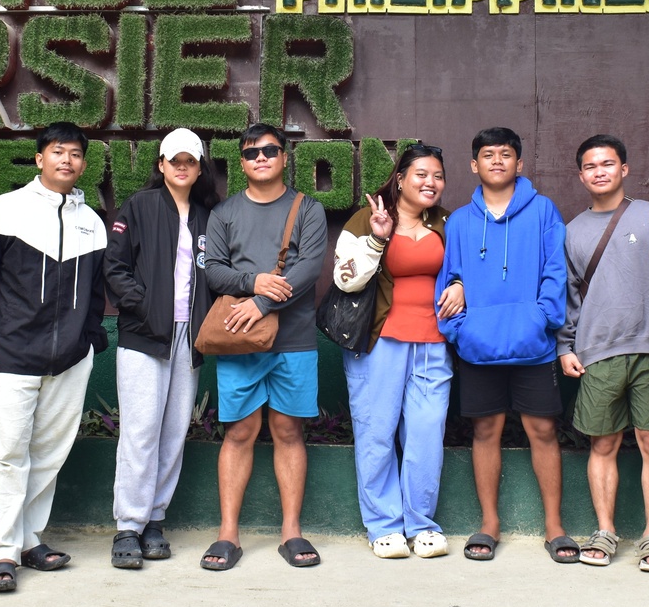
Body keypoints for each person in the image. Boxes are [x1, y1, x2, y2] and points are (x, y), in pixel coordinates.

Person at [0, 122, 109, 594]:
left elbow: (98, 292)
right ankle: (2, 553)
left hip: (70, 360)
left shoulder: (93, 221)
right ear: (40, 158)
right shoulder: (7, 210)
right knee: (6, 455)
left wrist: (89, 342)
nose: (67, 160)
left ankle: (29, 539)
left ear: (84, 163)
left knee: (49, 454)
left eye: (75, 154)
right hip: (9, 356)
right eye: (57, 151)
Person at [437, 127, 576, 564]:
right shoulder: (459, 221)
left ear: (520, 163)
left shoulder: (544, 211)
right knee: (486, 431)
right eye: (487, 155)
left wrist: (544, 321)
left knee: (543, 431)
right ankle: (489, 523)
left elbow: (557, 272)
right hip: (479, 347)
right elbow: (449, 280)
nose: (497, 161)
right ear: (473, 165)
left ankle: (554, 526)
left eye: (506, 154)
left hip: (533, 345)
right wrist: (462, 331)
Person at [200, 122, 328, 571]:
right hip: (239, 338)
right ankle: (228, 534)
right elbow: (213, 270)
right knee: (239, 432)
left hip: (294, 340)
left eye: (270, 151)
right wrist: (250, 284)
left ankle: (291, 532)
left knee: (289, 431)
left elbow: (310, 266)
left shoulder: (306, 209)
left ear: (284, 157)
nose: (261, 158)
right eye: (252, 152)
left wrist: (261, 302)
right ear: (241, 161)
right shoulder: (225, 213)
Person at [557, 135, 649, 571]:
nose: (599, 171)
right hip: (596, 350)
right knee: (604, 443)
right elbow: (570, 296)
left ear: (624, 169)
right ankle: (605, 530)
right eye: (590, 165)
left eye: (607, 164)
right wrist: (565, 347)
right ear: (581, 175)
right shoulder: (572, 231)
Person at [332, 144, 464, 558]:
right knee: (377, 431)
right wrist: (376, 237)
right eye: (421, 174)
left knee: (426, 433)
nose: (431, 183)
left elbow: (466, 269)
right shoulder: (367, 216)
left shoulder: (448, 222)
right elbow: (343, 279)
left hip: (433, 342)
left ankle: (422, 524)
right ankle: (384, 525)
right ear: (401, 178)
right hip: (379, 340)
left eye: (438, 176)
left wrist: (461, 286)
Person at [104, 128, 218, 568]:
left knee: (173, 432)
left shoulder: (209, 216)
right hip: (144, 336)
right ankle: (128, 526)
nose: (182, 166)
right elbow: (114, 268)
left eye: (190, 160)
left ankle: (154, 520)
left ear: (200, 165)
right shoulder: (140, 206)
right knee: (140, 431)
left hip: (190, 336)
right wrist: (144, 306)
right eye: (174, 160)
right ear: (161, 165)